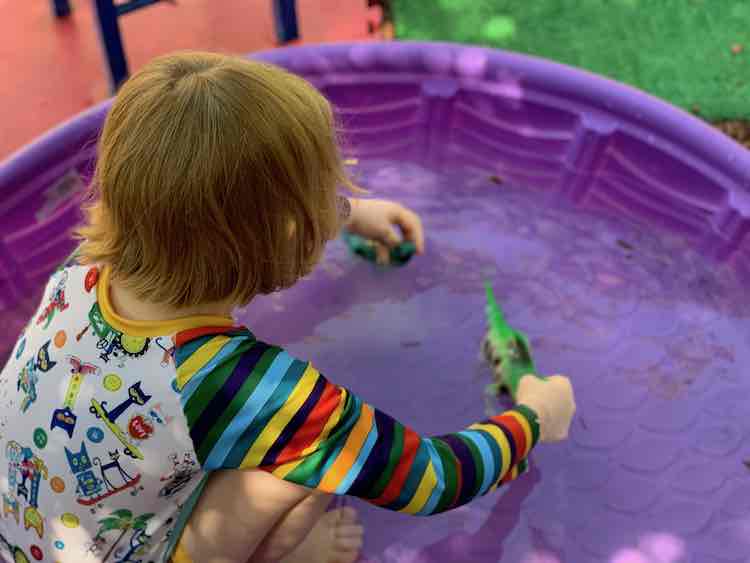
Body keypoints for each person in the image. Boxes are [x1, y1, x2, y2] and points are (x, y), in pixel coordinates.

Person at [0, 52, 575, 563]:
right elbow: (431, 478)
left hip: (23, 530)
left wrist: (345, 214)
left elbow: (200, 213)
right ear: (287, 232)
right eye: (324, 194)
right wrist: (534, 418)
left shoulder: (82, 269)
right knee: (321, 457)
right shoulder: (242, 384)